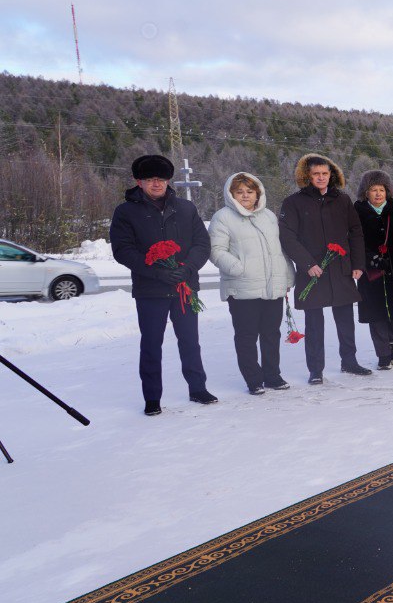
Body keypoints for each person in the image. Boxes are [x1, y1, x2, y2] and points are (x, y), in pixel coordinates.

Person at [109, 154, 218, 415]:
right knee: (151, 344)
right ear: (139, 181)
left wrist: (187, 268)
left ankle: (198, 388)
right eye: (150, 179)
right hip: (150, 290)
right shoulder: (126, 212)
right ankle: (152, 398)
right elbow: (123, 250)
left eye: (161, 179)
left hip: (184, 287)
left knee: (190, 341)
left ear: (168, 180)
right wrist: (156, 272)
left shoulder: (186, 208)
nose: (156, 184)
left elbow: (202, 244)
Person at [278, 152, 371, 385]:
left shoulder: (343, 200)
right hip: (312, 271)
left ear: (332, 175)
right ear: (307, 176)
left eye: (325, 173)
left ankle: (349, 361)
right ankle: (315, 370)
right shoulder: (293, 202)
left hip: (340, 268)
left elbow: (356, 232)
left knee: (345, 319)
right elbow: (287, 237)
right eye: (316, 174)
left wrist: (358, 264)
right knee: (314, 322)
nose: (321, 177)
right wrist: (307, 263)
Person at [208, 171, 295, 394]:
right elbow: (216, 251)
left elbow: (280, 250)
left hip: (272, 286)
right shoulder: (222, 217)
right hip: (242, 288)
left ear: (258, 193)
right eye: (240, 192)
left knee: (271, 334)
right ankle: (253, 379)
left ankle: (272, 376)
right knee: (247, 336)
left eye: (250, 191)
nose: (245, 195)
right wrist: (239, 268)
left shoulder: (269, 216)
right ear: (231, 194)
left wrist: (287, 274)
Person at [354, 171, 393, 370]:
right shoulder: (357, 213)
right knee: (376, 312)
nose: (378, 194)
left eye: (382, 189)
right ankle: (383, 354)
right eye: (373, 189)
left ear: (388, 192)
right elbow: (353, 241)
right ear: (366, 192)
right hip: (370, 272)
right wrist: (370, 258)